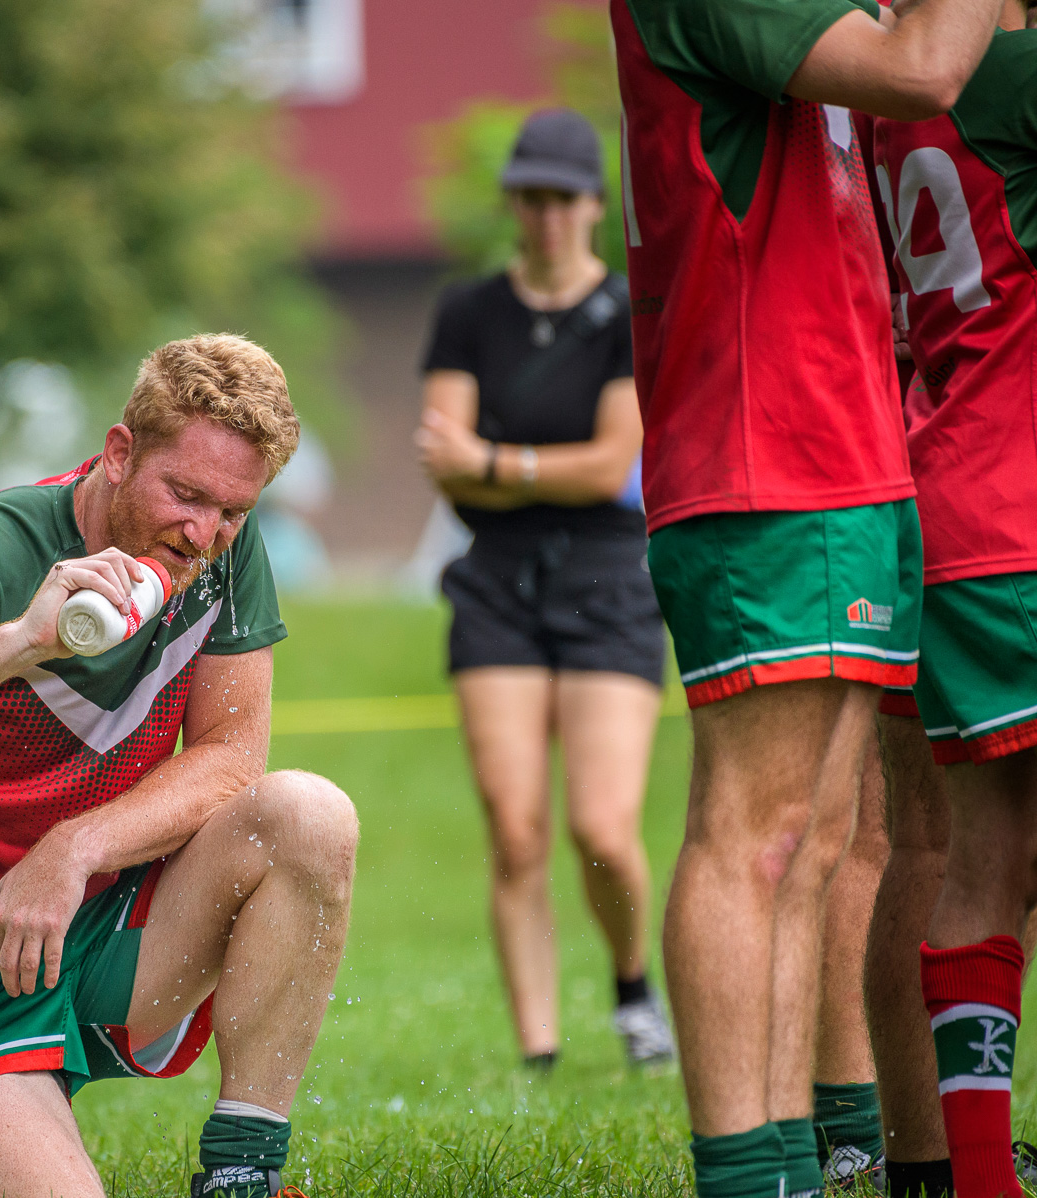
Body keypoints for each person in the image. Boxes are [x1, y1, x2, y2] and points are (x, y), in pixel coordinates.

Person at [0, 334, 356, 1198]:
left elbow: (232, 756)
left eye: (234, 512)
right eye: (186, 495)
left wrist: (75, 848)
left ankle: (242, 1173)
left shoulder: (222, 554)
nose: (204, 533)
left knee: (308, 817)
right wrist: (23, 640)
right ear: (121, 453)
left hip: (79, 937)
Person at [612, 0, 1004, 1194]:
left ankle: (784, 1156)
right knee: (756, 832)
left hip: (841, 449)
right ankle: (744, 1169)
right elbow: (928, 67)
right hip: (761, 452)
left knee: (823, 841)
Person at [415, 107, 673, 1071]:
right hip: (494, 582)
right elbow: (444, 464)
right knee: (516, 828)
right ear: (514, 203)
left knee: (601, 825)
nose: (546, 213)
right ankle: (540, 1053)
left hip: (610, 576)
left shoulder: (625, 314)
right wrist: (513, 467)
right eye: (531, 195)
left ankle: (633, 985)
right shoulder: (468, 311)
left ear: (596, 206)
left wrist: (494, 459)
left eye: (563, 197)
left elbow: (613, 465)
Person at [860, 3, 1037, 1193]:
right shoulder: (1017, 70)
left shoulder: (879, 109)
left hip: (949, 504)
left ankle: (970, 1174)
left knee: (977, 856)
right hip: (1026, 495)